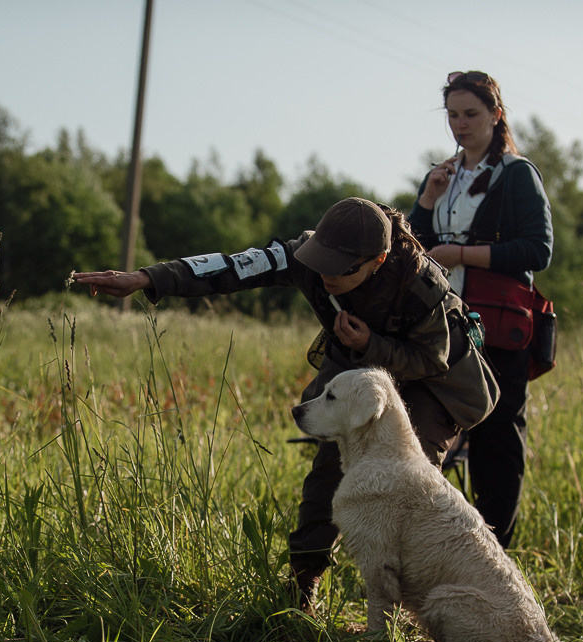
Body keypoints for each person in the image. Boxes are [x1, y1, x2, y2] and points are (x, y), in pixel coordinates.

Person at [74, 197, 498, 610]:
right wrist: (147, 279)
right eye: (321, 262)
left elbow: (431, 359)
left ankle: (429, 601)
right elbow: (230, 268)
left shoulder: (419, 285)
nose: (326, 276)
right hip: (357, 369)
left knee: (404, 487)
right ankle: (302, 586)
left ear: (377, 261)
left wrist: (373, 343)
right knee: (328, 473)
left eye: (340, 268)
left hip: (432, 383)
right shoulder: (306, 257)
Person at [408, 70, 554, 549]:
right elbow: (414, 247)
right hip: (443, 321)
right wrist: (427, 200)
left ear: (495, 114)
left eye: (471, 114)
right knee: (430, 427)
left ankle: (494, 553)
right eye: (452, 114)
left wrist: (463, 254)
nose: (460, 124)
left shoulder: (517, 174)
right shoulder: (443, 177)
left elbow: (538, 250)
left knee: (496, 438)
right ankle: (439, 546)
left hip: (498, 324)